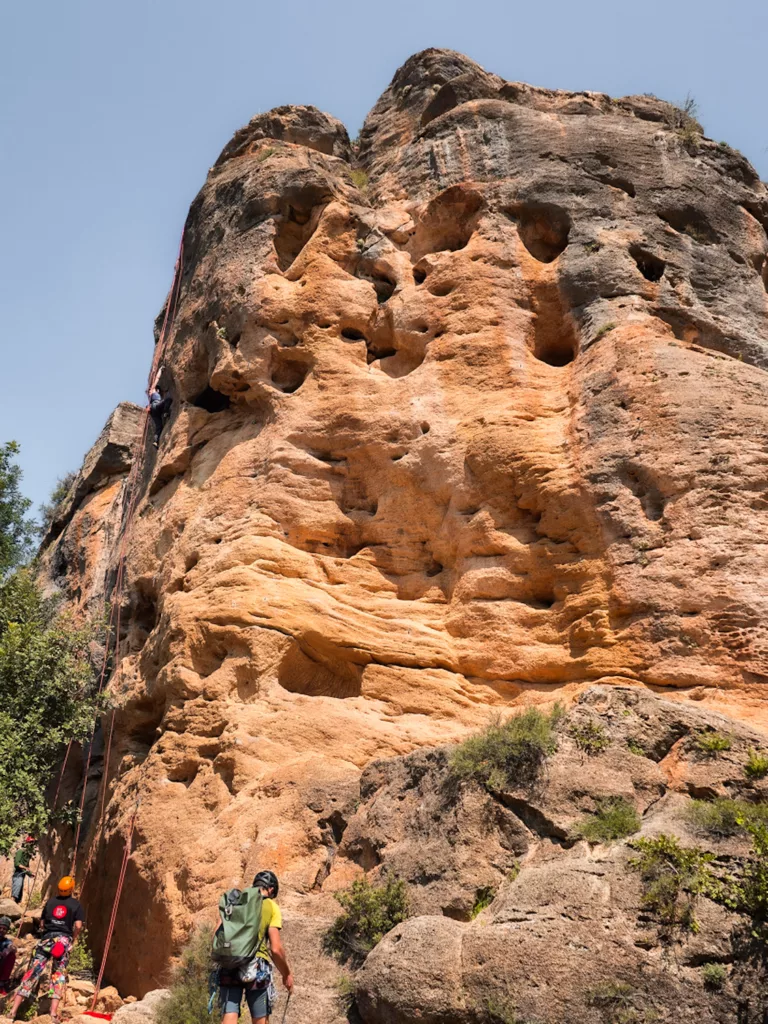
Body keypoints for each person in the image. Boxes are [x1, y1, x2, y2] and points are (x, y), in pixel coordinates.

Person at [218, 870, 293, 1024]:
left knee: (229, 1015)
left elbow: (216, 934)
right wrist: (286, 974)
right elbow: (276, 949)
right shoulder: (271, 906)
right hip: (257, 966)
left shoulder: (235, 900)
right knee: (260, 1019)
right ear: (271, 889)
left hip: (230, 962)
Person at [8, 876, 83, 1024]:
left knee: (32, 974)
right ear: (71, 889)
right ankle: (53, 1014)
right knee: (58, 976)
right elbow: (78, 926)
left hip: (46, 941)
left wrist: (48, 930)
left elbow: (42, 923)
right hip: (62, 943)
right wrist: (72, 939)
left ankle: (13, 1011)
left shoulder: (51, 902)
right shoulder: (76, 905)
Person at [147, 370, 172, 448]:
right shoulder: (152, 390)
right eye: (157, 389)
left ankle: (155, 441)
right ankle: (165, 413)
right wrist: (160, 370)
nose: (158, 390)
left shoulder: (150, 396)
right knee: (168, 399)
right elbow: (157, 378)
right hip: (155, 406)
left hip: (153, 412)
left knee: (159, 426)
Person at [10, 837, 36, 904]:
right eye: (30, 842)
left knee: (19, 895)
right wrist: (26, 869)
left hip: (22, 875)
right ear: (26, 843)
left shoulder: (27, 854)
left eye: (32, 842)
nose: (31, 844)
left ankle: (15, 905)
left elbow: (26, 868)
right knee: (16, 891)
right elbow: (17, 864)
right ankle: (11, 903)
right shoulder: (20, 851)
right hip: (18, 874)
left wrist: (30, 874)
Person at [0, 916, 17, 995]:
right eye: (0, 928)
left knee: (11, 955)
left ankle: (1, 984)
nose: (1, 930)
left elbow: (11, 946)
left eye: (4, 929)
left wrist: (11, 948)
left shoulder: (6, 941)